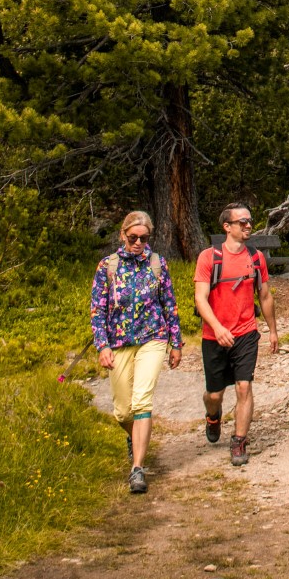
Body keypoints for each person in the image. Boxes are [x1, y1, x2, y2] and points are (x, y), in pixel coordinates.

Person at [90, 210, 183, 494]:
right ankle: (134, 437)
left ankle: (138, 469)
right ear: (123, 235)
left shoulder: (157, 264)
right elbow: (98, 310)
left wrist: (175, 342)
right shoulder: (108, 266)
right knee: (122, 411)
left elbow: (169, 303)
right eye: (133, 238)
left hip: (152, 337)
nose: (139, 243)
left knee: (142, 400)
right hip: (118, 342)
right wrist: (102, 346)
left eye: (144, 238)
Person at [194, 204, 280, 466]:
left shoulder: (256, 258)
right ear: (227, 227)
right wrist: (217, 328)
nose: (247, 226)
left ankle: (239, 440)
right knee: (214, 394)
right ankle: (213, 415)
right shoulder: (208, 258)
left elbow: (264, 296)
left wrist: (273, 330)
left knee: (244, 387)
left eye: (249, 221)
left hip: (245, 333)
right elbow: (201, 298)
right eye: (241, 222)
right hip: (214, 336)